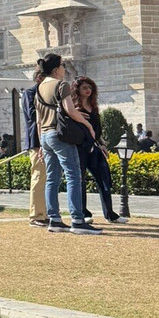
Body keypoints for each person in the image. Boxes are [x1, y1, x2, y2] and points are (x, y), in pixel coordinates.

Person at [35, 54, 101, 234]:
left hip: (45, 135)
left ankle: (54, 219)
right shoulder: (61, 85)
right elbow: (70, 110)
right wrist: (88, 125)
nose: (64, 68)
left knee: (52, 178)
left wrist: (41, 144)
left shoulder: (40, 87)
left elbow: (38, 119)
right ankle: (77, 220)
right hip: (59, 135)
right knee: (73, 175)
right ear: (56, 69)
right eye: (62, 65)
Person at [71, 76, 125, 224]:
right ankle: (83, 213)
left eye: (90, 87)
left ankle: (110, 214)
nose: (88, 90)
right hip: (79, 148)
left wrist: (101, 144)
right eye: (84, 87)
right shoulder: (73, 107)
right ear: (77, 89)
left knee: (104, 179)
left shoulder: (93, 106)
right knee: (80, 181)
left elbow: (97, 129)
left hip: (94, 147)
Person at [21, 66, 49, 228]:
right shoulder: (30, 94)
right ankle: (36, 215)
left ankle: (44, 213)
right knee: (39, 177)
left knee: (47, 178)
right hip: (37, 141)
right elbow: (33, 117)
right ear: (39, 78)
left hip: (48, 140)